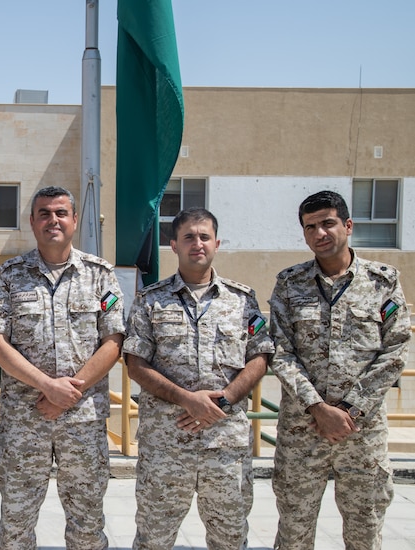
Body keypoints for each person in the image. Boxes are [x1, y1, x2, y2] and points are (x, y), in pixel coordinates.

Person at [123, 207, 274, 550]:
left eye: (204, 237)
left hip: (225, 446)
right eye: (188, 237)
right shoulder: (150, 301)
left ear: (217, 243)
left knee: (230, 539)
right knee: (153, 539)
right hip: (165, 445)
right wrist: (186, 399)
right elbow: (135, 363)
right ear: (173, 245)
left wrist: (223, 399)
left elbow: (260, 355)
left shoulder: (242, 300)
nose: (197, 244)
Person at [0, 186, 125, 550]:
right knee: (16, 520)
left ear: (74, 220)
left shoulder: (100, 275)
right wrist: (48, 386)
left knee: (87, 521)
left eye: (61, 213)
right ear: (32, 222)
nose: (53, 220)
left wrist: (66, 394)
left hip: (82, 421)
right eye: (44, 213)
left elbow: (113, 342)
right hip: (25, 419)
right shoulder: (10, 275)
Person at [269, 190, 411, 550]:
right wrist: (319, 409)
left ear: (347, 225)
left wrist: (348, 411)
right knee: (294, 531)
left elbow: (396, 349)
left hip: (360, 433)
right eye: (310, 227)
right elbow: (281, 352)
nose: (320, 233)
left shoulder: (383, 282)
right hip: (303, 431)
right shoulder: (289, 283)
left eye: (328, 223)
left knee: (365, 531)